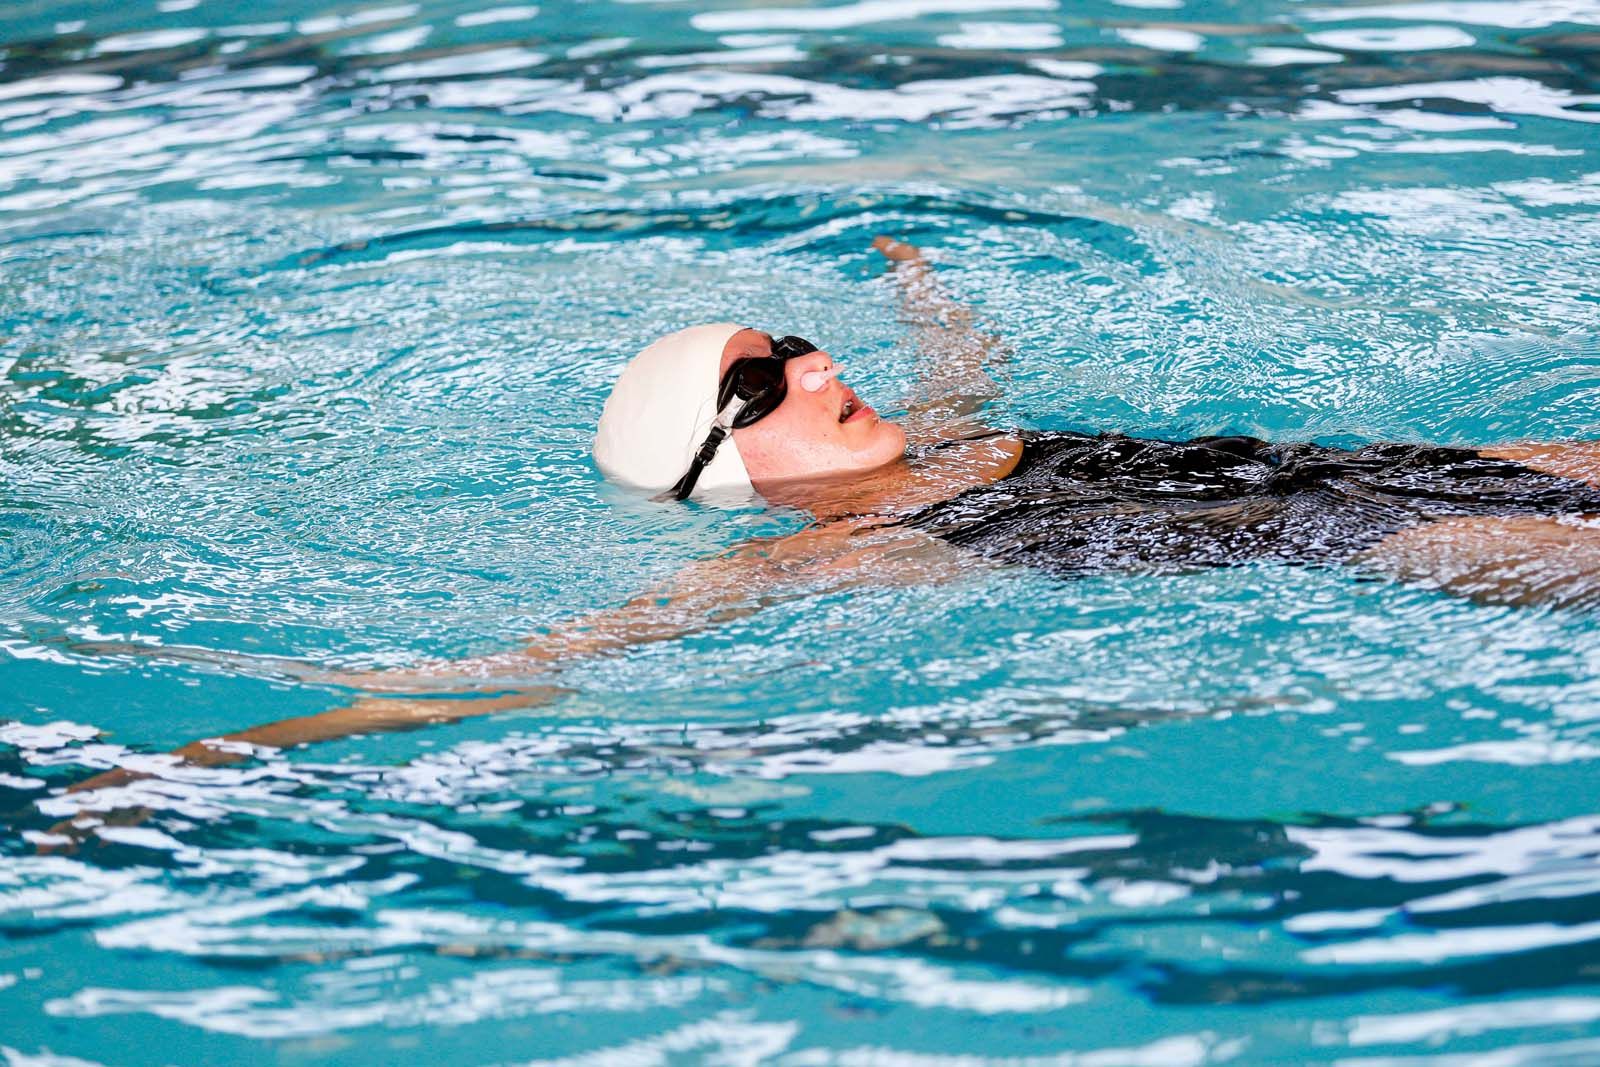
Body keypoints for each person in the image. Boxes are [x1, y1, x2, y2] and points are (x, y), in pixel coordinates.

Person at [52, 237, 1600, 815]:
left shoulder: (963, 444)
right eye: (764, 375)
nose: (815, 365)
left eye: (799, 339)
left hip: (1416, 461)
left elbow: (958, 377)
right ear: (719, 467)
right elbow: (545, 663)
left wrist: (927, 288)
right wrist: (230, 753)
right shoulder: (838, 550)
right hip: (1389, 549)